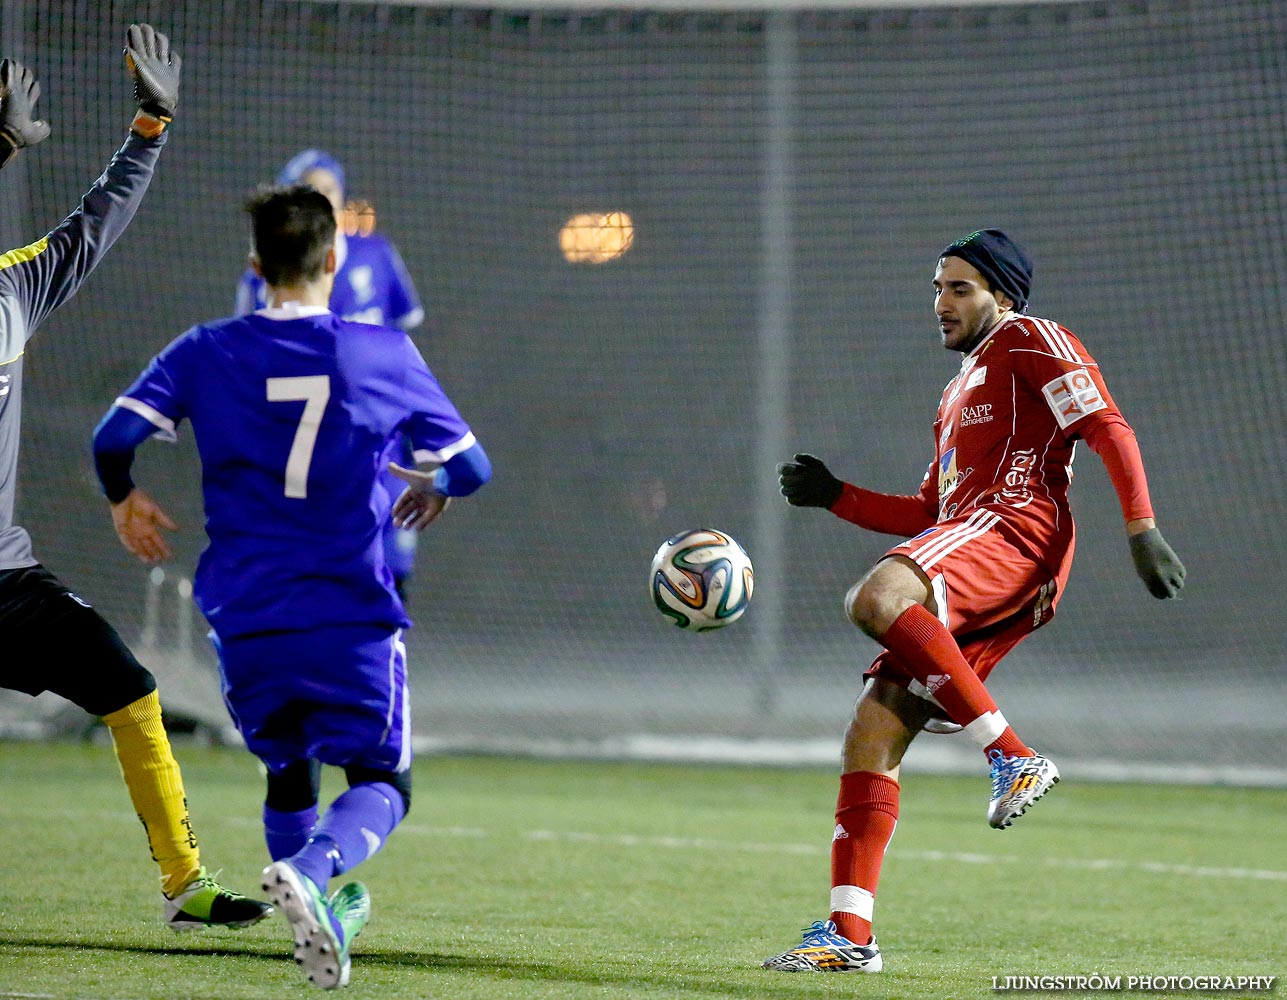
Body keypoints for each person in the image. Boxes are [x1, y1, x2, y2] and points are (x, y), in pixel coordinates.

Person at [93, 184, 491, 989]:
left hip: (245, 616)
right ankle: (314, 872)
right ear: (334, 260)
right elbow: (474, 468)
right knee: (383, 781)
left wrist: (123, 497)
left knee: (288, 769)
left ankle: (304, 924)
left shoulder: (206, 349)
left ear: (254, 267)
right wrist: (434, 480)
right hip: (349, 612)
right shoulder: (381, 353)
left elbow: (114, 438)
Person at [763, 229, 1185, 973]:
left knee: (875, 594)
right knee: (873, 732)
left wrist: (1141, 527)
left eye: (960, 287)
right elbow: (931, 510)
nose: (941, 302)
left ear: (1002, 295)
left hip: (1014, 529)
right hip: (973, 539)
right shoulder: (956, 391)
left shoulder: (1029, 336)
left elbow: (1104, 425)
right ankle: (848, 938)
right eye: (935, 288)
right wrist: (836, 497)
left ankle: (1011, 756)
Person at [0, 28, 271, 931]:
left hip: (5, 582)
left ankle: (186, 887)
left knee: (131, 691)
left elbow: (94, 227)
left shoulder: (13, 292)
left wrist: (150, 126)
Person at [235, 150, 426, 600]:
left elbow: (406, 350)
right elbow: (247, 363)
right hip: (306, 456)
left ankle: (379, 667)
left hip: (381, 448)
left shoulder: (376, 256)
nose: (321, 199)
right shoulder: (263, 275)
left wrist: (423, 435)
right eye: (309, 190)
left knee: (390, 576)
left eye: (330, 190)